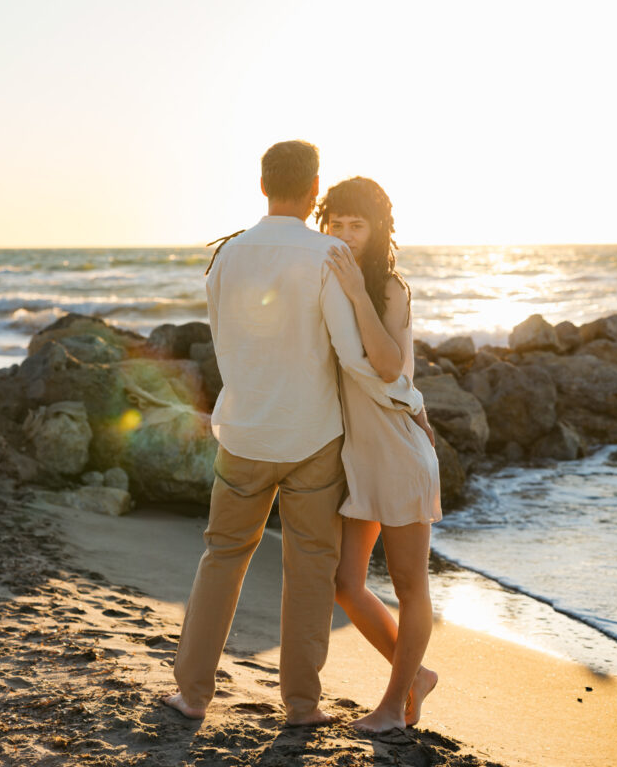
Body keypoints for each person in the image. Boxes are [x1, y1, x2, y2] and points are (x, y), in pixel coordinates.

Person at [162, 141, 424, 726]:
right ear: (313, 193)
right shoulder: (328, 253)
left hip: (245, 432)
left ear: (262, 186)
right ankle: (302, 707)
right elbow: (351, 353)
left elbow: (223, 336)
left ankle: (192, 696)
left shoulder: (227, 254)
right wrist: (403, 398)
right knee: (309, 570)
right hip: (313, 440)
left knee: (221, 559)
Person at [317, 176, 442, 733]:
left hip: (399, 451)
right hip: (361, 456)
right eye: (336, 223)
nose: (345, 235)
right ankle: (414, 677)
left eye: (356, 225)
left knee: (411, 584)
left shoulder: (388, 287)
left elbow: (390, 366)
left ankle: (394, 707)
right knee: (345, 583)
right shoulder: (327, 278)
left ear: (378, 228)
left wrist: (356, 292)